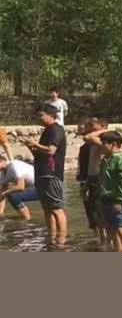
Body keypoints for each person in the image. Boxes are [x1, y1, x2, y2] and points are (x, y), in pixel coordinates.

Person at [19, 103, 67, 246]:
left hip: (52, 174)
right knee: (47, 208)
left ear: (51, 115)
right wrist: (31, 147)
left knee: (56, 208)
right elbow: (40, 154)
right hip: (41, 173)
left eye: (41, 115)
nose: (38, 118)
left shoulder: (57, 129)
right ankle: (51, 238)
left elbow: (51, 150)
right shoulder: (47, 130)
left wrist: (35, 143)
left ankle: (62, 240)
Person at [96, 131, 122, 253]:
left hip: (118, 200)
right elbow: (102, 179)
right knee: (112, 229)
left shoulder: (121, 160)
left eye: (104, 143)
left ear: (113, 144)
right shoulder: (105, 160)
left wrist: (119, 200)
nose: (101, 146)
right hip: (106, 199)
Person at [76, 118, 109, 248]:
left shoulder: (103, 141)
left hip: (99, 179)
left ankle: (105, 242)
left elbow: (88, 137)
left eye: (92, 126)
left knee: (100, 214)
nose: (89, 128)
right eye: (88, 125)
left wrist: (104, 130)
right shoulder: (89, 144)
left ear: (102, 126)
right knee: (93, 213)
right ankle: (99, 240)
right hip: (90, 179)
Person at [0, 153, 35, 220]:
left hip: (42, 187)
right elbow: (1, 193)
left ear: (3, 161)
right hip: (32, 187)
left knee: (12, 195)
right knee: (9, 192)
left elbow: (21, 187)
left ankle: (27, 219)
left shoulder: (14, 165)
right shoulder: (3, 174)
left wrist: (4, 193)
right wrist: (1, 213)